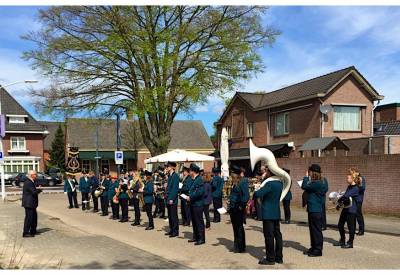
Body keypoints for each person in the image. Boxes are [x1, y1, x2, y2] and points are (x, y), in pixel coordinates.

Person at [254, 167, 283, 265]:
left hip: (268, 213)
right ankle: (279, 257)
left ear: (270, 173)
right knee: (277, 235)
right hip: (276, 212)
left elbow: (258, 194)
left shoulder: (269, 184)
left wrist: (257, 188)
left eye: (267, 171)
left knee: (269, 236)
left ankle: (270, 258)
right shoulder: (280, 183)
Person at [301, 164, 325, 257]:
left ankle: (318, 250)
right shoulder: (318, 182)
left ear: (312, 172)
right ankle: (313, 247)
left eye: (309, 172)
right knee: (312, 230)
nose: (309, 173)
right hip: (313, 209)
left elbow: (304, 186)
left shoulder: (317, 183)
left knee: (316, 230)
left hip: (316, 209)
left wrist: (306, 177)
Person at [333, 169, 361, 249]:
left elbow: (346, 196)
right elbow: (345, 198)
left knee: (351, 227)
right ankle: (342, 240)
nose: (346, 179)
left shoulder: (356, 188)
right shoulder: (349, 186)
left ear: (352, 179)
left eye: (348, 178)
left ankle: (350, 243)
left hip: (351, 210)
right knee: (340, 225)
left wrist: (337, 199)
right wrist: (339, 205)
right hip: (345, 209)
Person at [228, 165, 250, 253]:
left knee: (239, 228)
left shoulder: (243, 181)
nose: (231, 176)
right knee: (235, 227)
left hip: (238, 208)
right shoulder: (235, 182)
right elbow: (234, 194)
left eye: (232, 174)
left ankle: (241, 247)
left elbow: (246, 195)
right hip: (233, 207)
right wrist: (230, 201)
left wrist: (241, 206)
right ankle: (236, 245)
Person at [187, 163, 206, 245]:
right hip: (193, 203)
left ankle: (201, 238)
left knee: (199, 221)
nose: (189, 172)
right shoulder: (193, 179)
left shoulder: (199, 180)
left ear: (193, 171)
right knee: (194, 221)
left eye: (190, 170)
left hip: (198, 204)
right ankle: (196, 236)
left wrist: (191, 197)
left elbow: (200, 192)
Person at [22, 170, 42, 237]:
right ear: (31, 175)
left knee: (34, 217)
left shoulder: (31, 181)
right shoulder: (28, 182)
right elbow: (33, 192)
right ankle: (25, 232)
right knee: (29, 218)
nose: (36, 176)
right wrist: (39, 189)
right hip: (29, 203)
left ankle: (33, 230)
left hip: (32, 203)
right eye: (35, 174)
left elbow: (33, 189)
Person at [165, 161, 179, 237]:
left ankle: (175, 231)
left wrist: (171, 199)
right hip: (168, 198)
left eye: (168, 166)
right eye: (167, 167)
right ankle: (171, 230)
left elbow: (175, 189)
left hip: (172, 199)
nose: (167, 168)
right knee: (170, 215)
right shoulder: (170, 176)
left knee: (174, 216)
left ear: (172, 167)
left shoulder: (175, 176)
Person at [351, 168, 365, 236]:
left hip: (358, 200)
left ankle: (361, 230)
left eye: (351, 172)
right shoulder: (353, 178)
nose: (351, 174)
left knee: (358, 215)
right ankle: (352, 229)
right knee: (353, 214)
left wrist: (358, 183)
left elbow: (363, 188)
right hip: (353, 199)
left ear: (355, 172)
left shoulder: (361, 178)